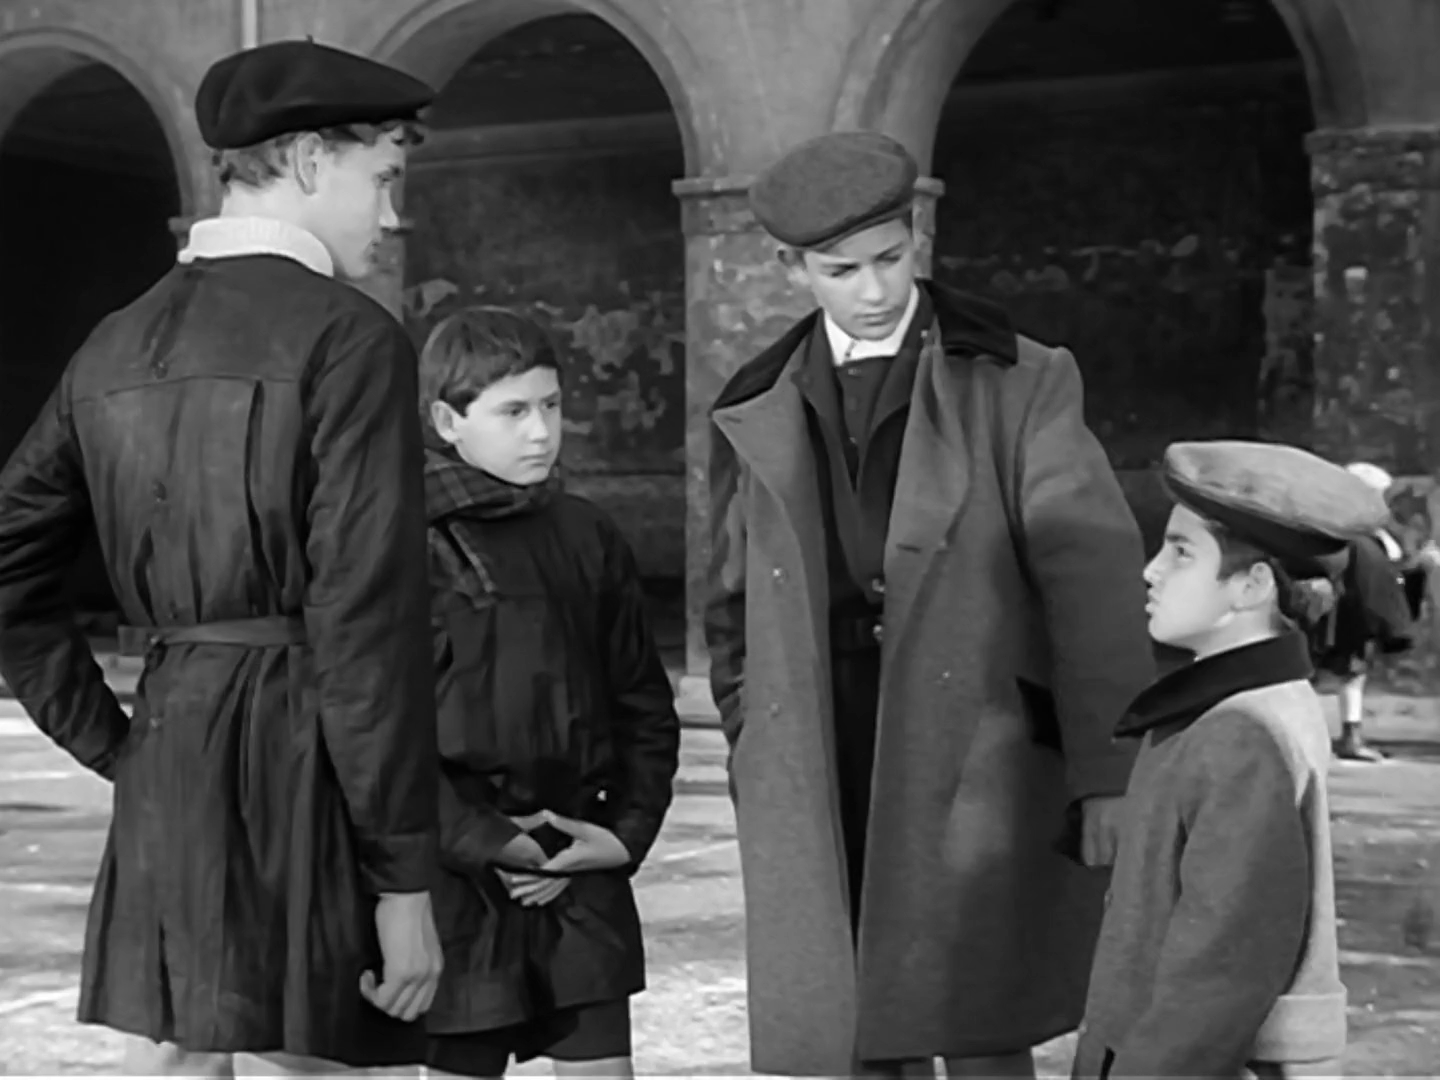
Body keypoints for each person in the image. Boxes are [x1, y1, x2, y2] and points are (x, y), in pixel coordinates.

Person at [0, 39, 446, 1077]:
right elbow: (366, 621)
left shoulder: (113, 342)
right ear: (308, 160)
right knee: (334, 1064)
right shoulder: (352, 338)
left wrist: (118, 744)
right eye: (383, 178)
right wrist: (404, 882)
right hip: (311, 761)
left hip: (172, 750)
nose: (391, 216)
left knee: (183, 1061)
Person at [704, 131, 1156, 1078]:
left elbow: (1092, 576)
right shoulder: (754, 402)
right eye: (842, 271)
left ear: (916, 237)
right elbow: (730, 597)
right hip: (821, 742)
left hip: (975, 745)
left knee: (977, 1017)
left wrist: (1107, 770)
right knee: (846, 1016)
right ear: (792, 269)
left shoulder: (1019, 379)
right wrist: (752, 735)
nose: (874, 290)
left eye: (890, 257)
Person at [415, 307, 681, 1079]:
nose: (541, 432)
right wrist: (485, 842)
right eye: (513, 412)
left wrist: (622, 835)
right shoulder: (402, 543)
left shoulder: (586, 533)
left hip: (579, 858)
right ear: (448, 421)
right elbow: (376, 729)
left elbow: (643, 705)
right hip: (457, 878)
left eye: (552, 405)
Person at [1072, 440, 1384, 1077]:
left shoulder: (1240, 730)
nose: (1152, 571)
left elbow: (1220, 970)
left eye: (1181, 552)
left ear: (1252, 585)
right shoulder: (1245, 706)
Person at [1314, 462, 1433, 762]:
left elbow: (1386, 568)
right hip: (1340, 606)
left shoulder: (1364, 531)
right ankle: (1330, 736)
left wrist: (1416, 564)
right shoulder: (1345, 530)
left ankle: (1349, 735)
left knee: (1351, 673)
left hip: (1352, 606)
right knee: (1328, 673)